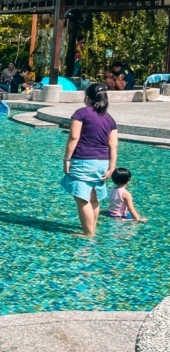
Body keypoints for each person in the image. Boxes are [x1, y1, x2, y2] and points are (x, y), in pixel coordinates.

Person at [60, 83, 117, 237]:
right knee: (94, 198)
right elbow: (113, 145)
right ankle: (92, 229)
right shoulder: (110, 119)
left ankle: (88, 233)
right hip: (102, 162)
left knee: (82, 199)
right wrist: (111, 168)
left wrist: (66, 159)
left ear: (88, 97)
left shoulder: (81, 113)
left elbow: (73, 137)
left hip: (83, 160)